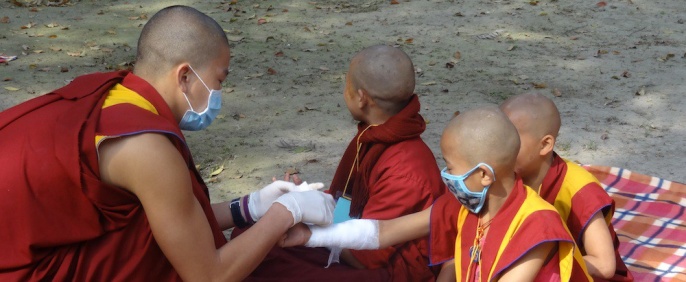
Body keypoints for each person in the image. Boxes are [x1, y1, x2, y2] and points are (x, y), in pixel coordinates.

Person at [0, 5, 335, 281]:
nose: (219, 94)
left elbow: (172, 217)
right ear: (185, 76)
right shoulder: (145, 146)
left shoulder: (118, 95)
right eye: (219, 79)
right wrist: (285, 213)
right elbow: (207, 276)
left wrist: (251, 207)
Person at [282, 107, 593, 281]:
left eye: (451, 167)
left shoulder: (537, 223)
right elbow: (384, 231)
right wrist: (311, 236)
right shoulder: (464, 204)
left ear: (484, 174)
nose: (446, 177)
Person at [233, 45, 446, 281]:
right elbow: (348, 203)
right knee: (250, 236)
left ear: (362, 98)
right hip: (356, 238)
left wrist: (307, 226)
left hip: (390, 268)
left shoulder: (404, 170)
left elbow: (367, 254)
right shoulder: (375, 133)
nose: (344, 92)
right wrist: (304, 201)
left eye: (347, 86)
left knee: (266, 263)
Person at [500, 92, 633, 281]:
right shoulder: (504, 177)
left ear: (545, 144)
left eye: (512, 140)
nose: (501, 148)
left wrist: (543, 265)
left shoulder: (578, 188)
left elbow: (604, 265)